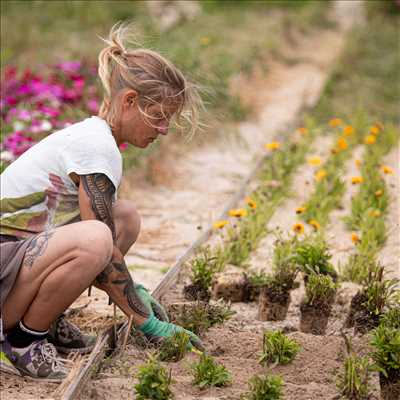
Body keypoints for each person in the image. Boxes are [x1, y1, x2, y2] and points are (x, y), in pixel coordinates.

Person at [0, 22, 203, 381]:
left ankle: (45, 318)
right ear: (129, 102)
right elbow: (102, 251)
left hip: (14, 262)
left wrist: (133, 290)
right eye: (158, 117)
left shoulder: (95, 138)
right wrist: (146, 321)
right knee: (97, 237)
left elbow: (105, 242)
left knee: (124, 218)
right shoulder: (97, 147)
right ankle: (22, 338)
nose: (164, 130)